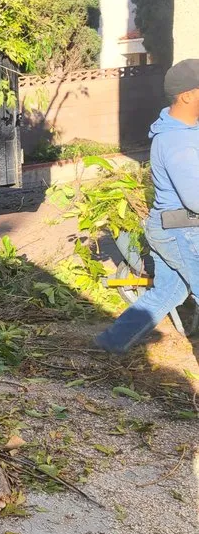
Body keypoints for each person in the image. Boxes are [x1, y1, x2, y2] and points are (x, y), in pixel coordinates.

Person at [96, 58, 199, 353]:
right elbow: (195, 198)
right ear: (188, 95)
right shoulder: (177, 141)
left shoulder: (186, 129)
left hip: (171, 227)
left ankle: (110, 342)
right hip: (182, 230)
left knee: (168, 292)